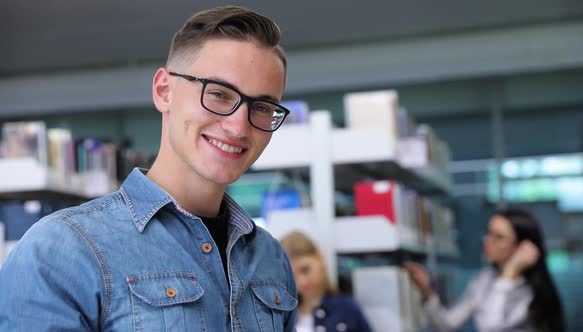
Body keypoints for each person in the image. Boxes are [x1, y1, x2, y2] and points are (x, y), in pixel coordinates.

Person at [0, 6, 298, 331]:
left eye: (262, 107)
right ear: (163, 91)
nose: (239, 127)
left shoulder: (271, 259)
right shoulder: (62, 249)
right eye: (219, 94)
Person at [405, 208, 565, 332]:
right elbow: (448, 324)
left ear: (523, 247)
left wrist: (510, 273)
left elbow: (491, 327)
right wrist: (426, 292)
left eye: (499, 237)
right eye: (489, 233)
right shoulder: (484, 279)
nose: (488, 241)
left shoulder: (530, 292)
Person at [280, 231, 372, 332]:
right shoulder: (282, 317)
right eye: (292, 277)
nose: (302, 281)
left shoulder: (347, 309)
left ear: (319, 257)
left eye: (305, 270)